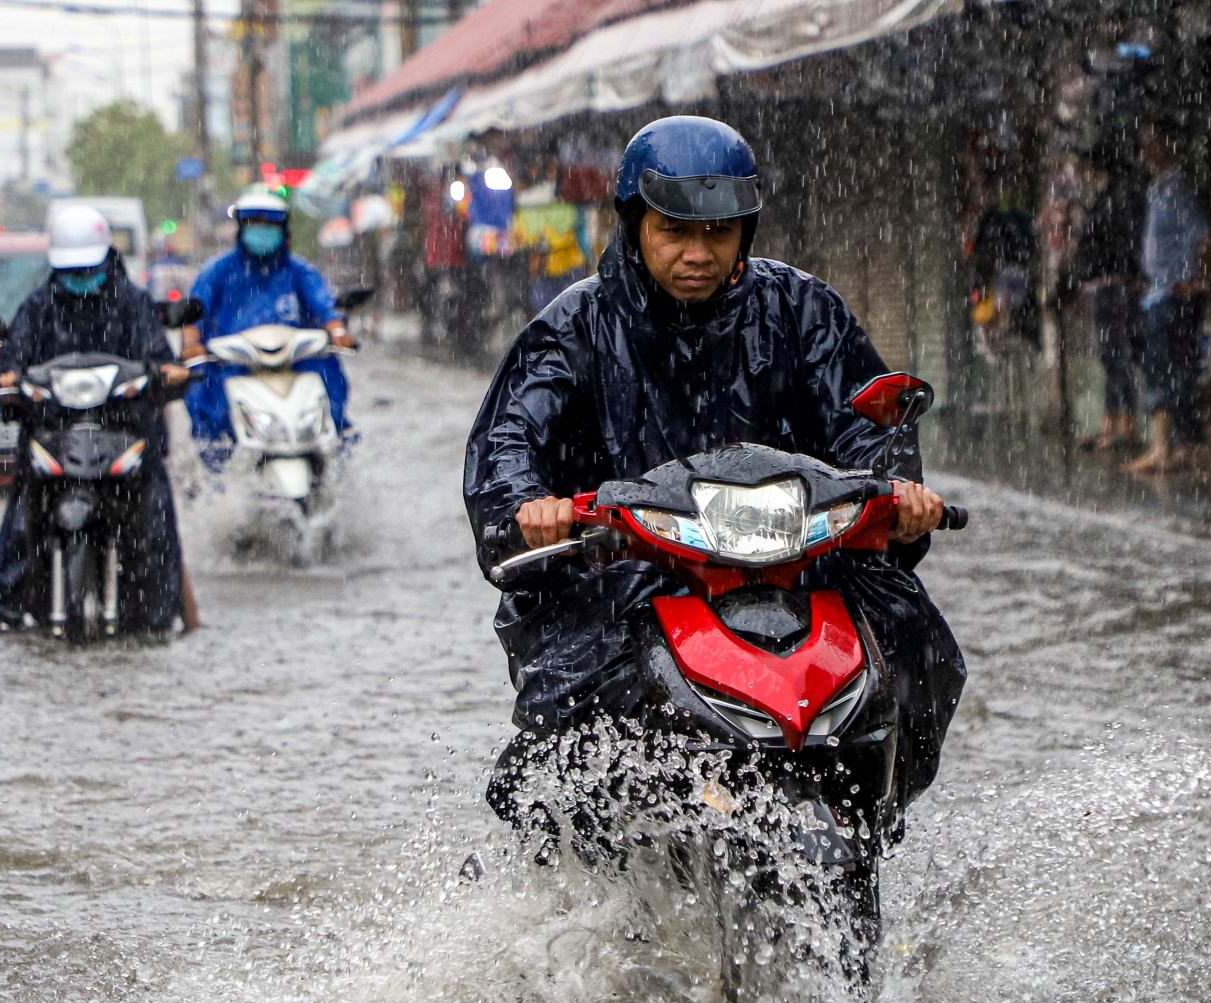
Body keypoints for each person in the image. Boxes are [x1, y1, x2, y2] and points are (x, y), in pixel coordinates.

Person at [462, 115, 966, 833]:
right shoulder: (573, 326)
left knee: (918, 648)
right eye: (675, 230)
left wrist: (897, 491)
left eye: (718, 232)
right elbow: (510, 439)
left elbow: (868, 420)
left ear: (744, 232)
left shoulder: (802, 310)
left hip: (796, 565)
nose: (697, 252)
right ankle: (566, 866)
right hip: (630, 570)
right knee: (562, 719)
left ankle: (869, 820)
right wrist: (529, 506)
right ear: (635, 225)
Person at [0, 205, 197, 633]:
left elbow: (157, 352)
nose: (80, 279)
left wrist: (166, 370)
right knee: (20, 523)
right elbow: (15, 353)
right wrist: (8, 378)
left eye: (88, 269)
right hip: (54, 433)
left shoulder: (131, 302)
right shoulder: (40, 305)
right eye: (71, 271)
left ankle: (174, 614)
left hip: (125, 431)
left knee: (157, 522)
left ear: (106, 260)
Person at [179, 186, 355, 467]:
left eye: (269, 225)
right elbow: (194, 312)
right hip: (234, 365)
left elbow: (324, 306)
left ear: (283, 229)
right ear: (241, 228)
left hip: (295, 363)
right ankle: (219, 481)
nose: (262, 231)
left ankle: (337, 468)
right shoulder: (218, 271)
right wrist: (191, 343)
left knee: (331, 395)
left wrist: (337, 331)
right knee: (211, 412)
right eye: (254, 224)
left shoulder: (299, 270)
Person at [1125, 119, 1211, 475]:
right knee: (1169, 370)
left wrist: (1200, 280)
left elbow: (1205, 238)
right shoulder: (1157, 190)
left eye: (1152, 141)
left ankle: (1166, 448)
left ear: (1170, 146)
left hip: (1173, 298)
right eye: (1143, 142)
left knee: (1168, 371)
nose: (1145, 150)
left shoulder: (1176, 191)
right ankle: (1183, 447)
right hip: (1158, 294)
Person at [1070, 138, 1144, 451]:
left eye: (1085, 166)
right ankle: (1110, 422)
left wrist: (1130, 275)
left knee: (1117, 356)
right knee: (1110, 356)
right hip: (1101, 287)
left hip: (1113, 287)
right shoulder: (1102, 198)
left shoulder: (1117, 198)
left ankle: (1123, 425)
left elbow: (1123, 242)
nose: (1081, 173)